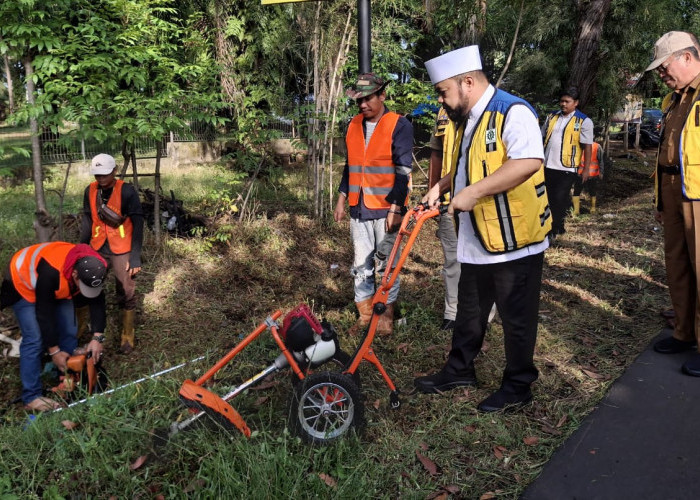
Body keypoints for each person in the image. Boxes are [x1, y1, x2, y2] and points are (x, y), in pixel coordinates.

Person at [414, 45, 551, 412]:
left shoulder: (512, 111)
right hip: (477, 236)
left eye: (443, 92)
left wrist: (472, 193)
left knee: (516, 318)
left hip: (514, 240)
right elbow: (464, 165)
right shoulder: (465, 119)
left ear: (468, 82)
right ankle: (459, 369)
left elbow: (528, 161)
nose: (441, 101)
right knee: (469, 311)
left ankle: (519, 385)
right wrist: (441, 186)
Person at [334, 73, 414, 336]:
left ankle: (386, 319)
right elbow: (350, 167)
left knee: (387, 265)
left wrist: (396, 208)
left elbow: (403, 172)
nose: (363, 105)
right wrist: (342, 199)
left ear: (382, 95)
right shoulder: (352, 125)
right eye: (359, 100)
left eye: (368, 99)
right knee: (361, 265)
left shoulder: (399, 125)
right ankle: (365, 316)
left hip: (385, 210)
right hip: (359, 208)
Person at [645, 31, 700, 376]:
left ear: (687, 57)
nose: (661, 75)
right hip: (671, 187)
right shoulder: (673, 100)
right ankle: (684, 332)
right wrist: (660, 199)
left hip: (698, 193)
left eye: (664, 68)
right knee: (677, 264)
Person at [0, 242, 107, 412]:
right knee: (34, 338)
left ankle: (66, 379)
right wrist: (54, 351)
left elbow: (97, 301)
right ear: (75, 274)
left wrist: (97, 338)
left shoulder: (95, 267)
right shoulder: (51, 273)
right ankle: (31, 397)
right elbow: (44, 313)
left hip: (55, 282)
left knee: (69, 331)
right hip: (22, 283)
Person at [429, 107, 497, 331]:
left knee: (484, 259)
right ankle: (452, 312)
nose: (440, 98)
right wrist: (434, 190)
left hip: (484, 202)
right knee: (452, 259)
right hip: (450, 199)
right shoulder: (442, 114)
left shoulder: (493, 113)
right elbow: (436, 154)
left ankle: (484, 314)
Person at [80, 153, 144, 354]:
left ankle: (127, 335)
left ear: (114, 171)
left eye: (105, 174)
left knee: (126, 289)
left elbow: (138, 222)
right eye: (97, 175)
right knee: (86, 284)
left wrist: (135, 255)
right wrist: (81, 248)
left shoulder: (126, 191)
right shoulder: (89, 191)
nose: (100, 179)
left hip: (121, 247)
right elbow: (87, 219)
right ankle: (81, 328)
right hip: (97, 246)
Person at [542, 88, 593, 239]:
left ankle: (557, 228)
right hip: (547, 165)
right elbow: (542, 136)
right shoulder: (551, 117)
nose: (563, 104)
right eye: (562, 101)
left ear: (576, 103)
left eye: (567, 102)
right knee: (546, 197)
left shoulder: (583, 121)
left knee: (559, 198)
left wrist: (586, 169)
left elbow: (588, 147)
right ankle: (546, 226)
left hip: (566, 167)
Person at [572, 141, 604, 215]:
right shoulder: (597, 146)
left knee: (579, 191)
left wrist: (601, 172)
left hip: (586, 174)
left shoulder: (596, 146)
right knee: (590, 191)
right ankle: (589, 209)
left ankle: (579, 210)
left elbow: (600, 160)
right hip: (586, 174)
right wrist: (601, 172)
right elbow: (601, 161)